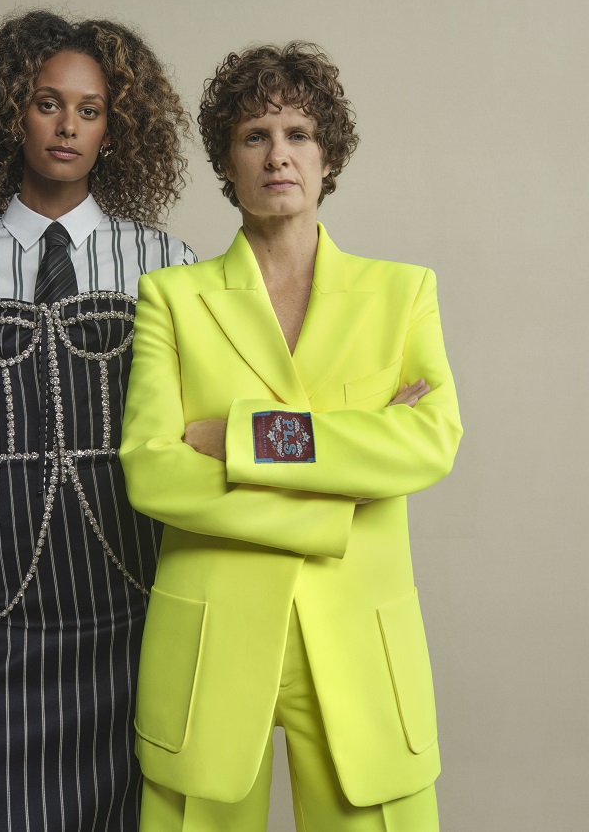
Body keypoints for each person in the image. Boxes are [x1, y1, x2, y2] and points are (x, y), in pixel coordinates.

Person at [120, 42, 462, 831]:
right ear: (227, 163)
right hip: (211, 647)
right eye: (255, 136)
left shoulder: (402, 293)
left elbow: (428, 441)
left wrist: (244, 437)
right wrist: (341, 486)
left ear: (327, 155)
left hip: (361, 652)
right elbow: (152, 470)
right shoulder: (171, 299)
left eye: (298, 134)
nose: (278, 155)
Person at [0, 10, 195, 832]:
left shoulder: (166, 266)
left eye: (90, 110)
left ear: (113, 129)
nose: (67, 127)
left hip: (133, 623)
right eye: (47, 103)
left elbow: (217, 421)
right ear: (9, 112)